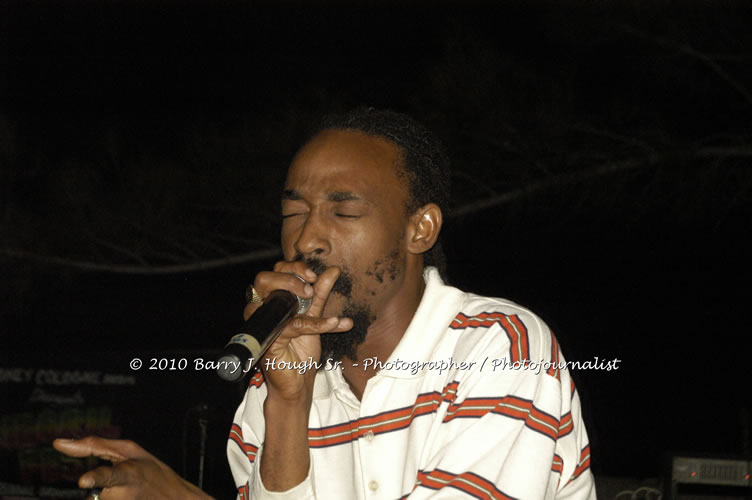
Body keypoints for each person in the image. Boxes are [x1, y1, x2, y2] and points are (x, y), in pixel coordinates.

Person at [55, 108, 596, 499]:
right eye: (294, 213)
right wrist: (290, 405)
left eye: (344, 212)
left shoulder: (500, 348)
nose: (307, 239)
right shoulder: (272, 387)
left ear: (420, 228)